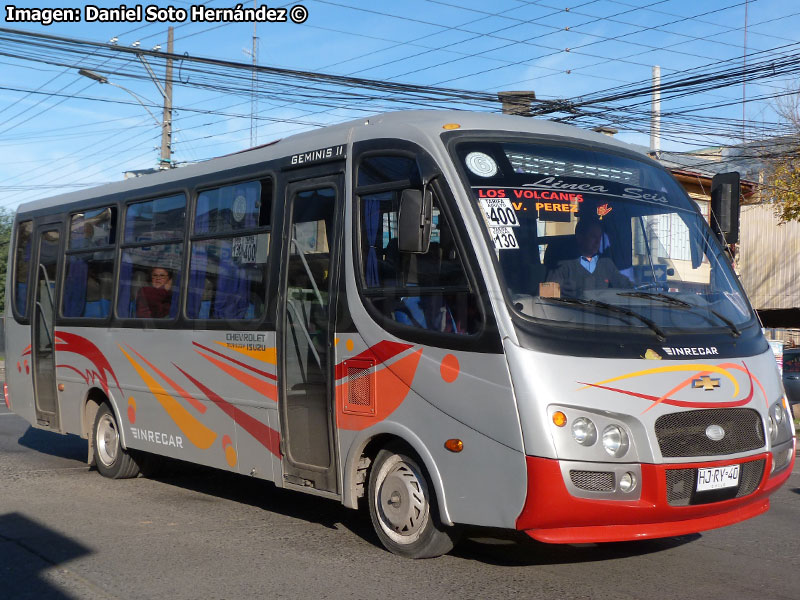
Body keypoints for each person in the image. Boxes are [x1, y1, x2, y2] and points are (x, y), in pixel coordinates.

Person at [546, 218, 631, 298]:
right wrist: (561, 292)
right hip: (571, 311)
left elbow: (627, 286)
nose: (598, 242)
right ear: (580, 238)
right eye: (593, 237)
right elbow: (547, 295)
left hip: (603, 312)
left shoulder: (606, 264)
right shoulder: (563, 266)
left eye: (599, 237)